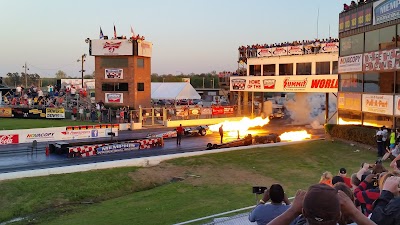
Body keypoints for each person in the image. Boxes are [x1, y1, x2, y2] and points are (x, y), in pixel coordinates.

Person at [267, 184, 376, 225]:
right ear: (339, 214)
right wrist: (354, 211)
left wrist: (293, 210)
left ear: (303, 212)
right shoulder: (347, 214)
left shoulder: (298, 216)